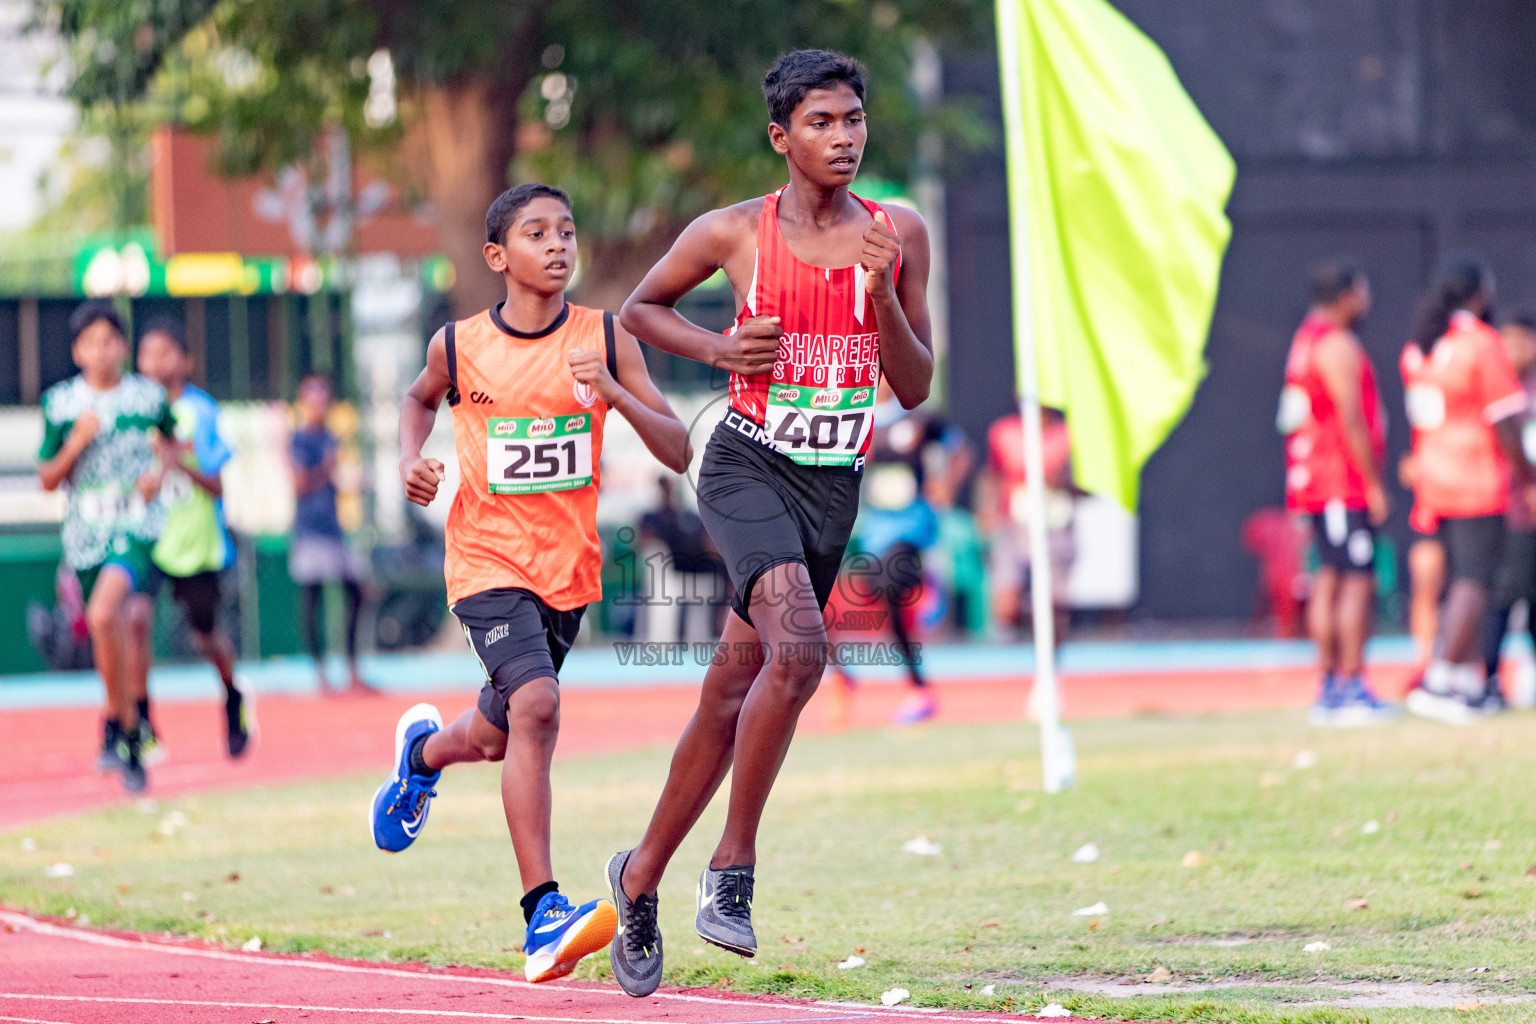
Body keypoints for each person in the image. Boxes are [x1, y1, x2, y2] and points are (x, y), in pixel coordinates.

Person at [610, 49, 933, 997]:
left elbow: (913, 388)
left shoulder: (898, 233)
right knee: (800, 653)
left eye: (854, 120)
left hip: (835, 485)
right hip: (747, 464)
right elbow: (638, 309)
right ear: (781, 137)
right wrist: (717, 347)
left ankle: (636, 878)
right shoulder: (734, 233)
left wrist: (879, 300)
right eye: (823, 123)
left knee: (730, 691)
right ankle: (733, 873)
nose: (843, 138)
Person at [372, 182, 691, 984]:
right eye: (537, 233)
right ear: (496, 256)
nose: (558, 245)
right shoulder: (460, 344)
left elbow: (679, 449)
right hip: (484, 561)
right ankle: (542, 914)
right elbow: (417, 399)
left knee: (498, 733)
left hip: (566, 574)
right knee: (539, 708)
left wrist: (614, 390)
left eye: (567, 231)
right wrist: (410, 460)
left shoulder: (606, 338)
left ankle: (423, 756)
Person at [37, 300, 176, 792]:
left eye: (110, 340)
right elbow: (47, 478)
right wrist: (75, 444)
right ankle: (123, 726)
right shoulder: (61, 404)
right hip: (84, 535)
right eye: (91, 342)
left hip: (135, 528)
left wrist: (158, 475)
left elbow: (172, 441)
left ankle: (126, 729)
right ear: (77, 350)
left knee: (102, 614)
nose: (102, 351)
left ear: (123, 345)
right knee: (106, 628)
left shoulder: (147, 398)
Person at [1402, 260, 1536, 724]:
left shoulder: (1421, 348)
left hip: (1433, 479)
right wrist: (1527, 476)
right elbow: (1505, 419)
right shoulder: (1480, 343)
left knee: (1455, 580)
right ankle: (1442, 682)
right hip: (1475, 479)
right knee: (1474, 584)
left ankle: (1457, 677)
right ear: (1478, 293)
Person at [1275, 263, 1395, 725]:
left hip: (1314, 482)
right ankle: (1349, 685)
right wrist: (1372, 484)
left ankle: (1330, 686)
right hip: (1339, 483)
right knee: (1355, 581)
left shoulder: (1304, 340)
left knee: (1328, 577)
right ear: (1346, 296)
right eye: (1363, 293)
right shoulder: (1335, 344)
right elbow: (1351, 419)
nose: (1367, 303)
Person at [133, 318, 254, 758]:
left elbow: (217, 484)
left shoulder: (200, 412)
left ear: (186, 361)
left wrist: (175, 462)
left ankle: (233, 694)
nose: (154, 362)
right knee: (136, 619)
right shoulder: (132, 412)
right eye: (146, 353)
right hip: (147, 537)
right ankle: (142, 722)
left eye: (165, 352)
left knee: (205, 636)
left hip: (196, 542)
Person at [289, 375, 368, 693]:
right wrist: (326, 468)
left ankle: (351, 670)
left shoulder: (332, 438)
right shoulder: (298, 440)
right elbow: (299, 484)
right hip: (309, 531)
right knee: (313, 600)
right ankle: (321, 673)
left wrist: (350, 482)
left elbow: (333, 479)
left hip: (334, 531)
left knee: (358, 591)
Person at [1479, 314, 1536, 707]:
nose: (1511, 351)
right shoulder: (1498, 388)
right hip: (1508, 510)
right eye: (1506, 342)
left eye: (1519, 342)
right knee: (1502, 598)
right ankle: (1490, 681)